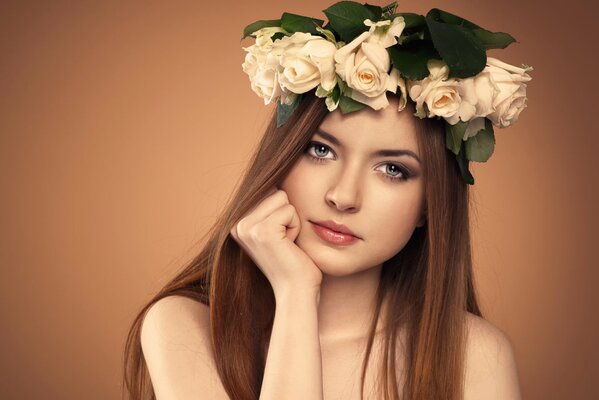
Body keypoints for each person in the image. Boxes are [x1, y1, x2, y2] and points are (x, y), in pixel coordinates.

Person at [123, 2, 531, 399]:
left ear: (430, 206)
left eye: (393, 170)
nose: (342, 196)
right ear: (281, 159)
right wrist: (296, 292)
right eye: (321, 151)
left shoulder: (473, 355)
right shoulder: (186, 326)